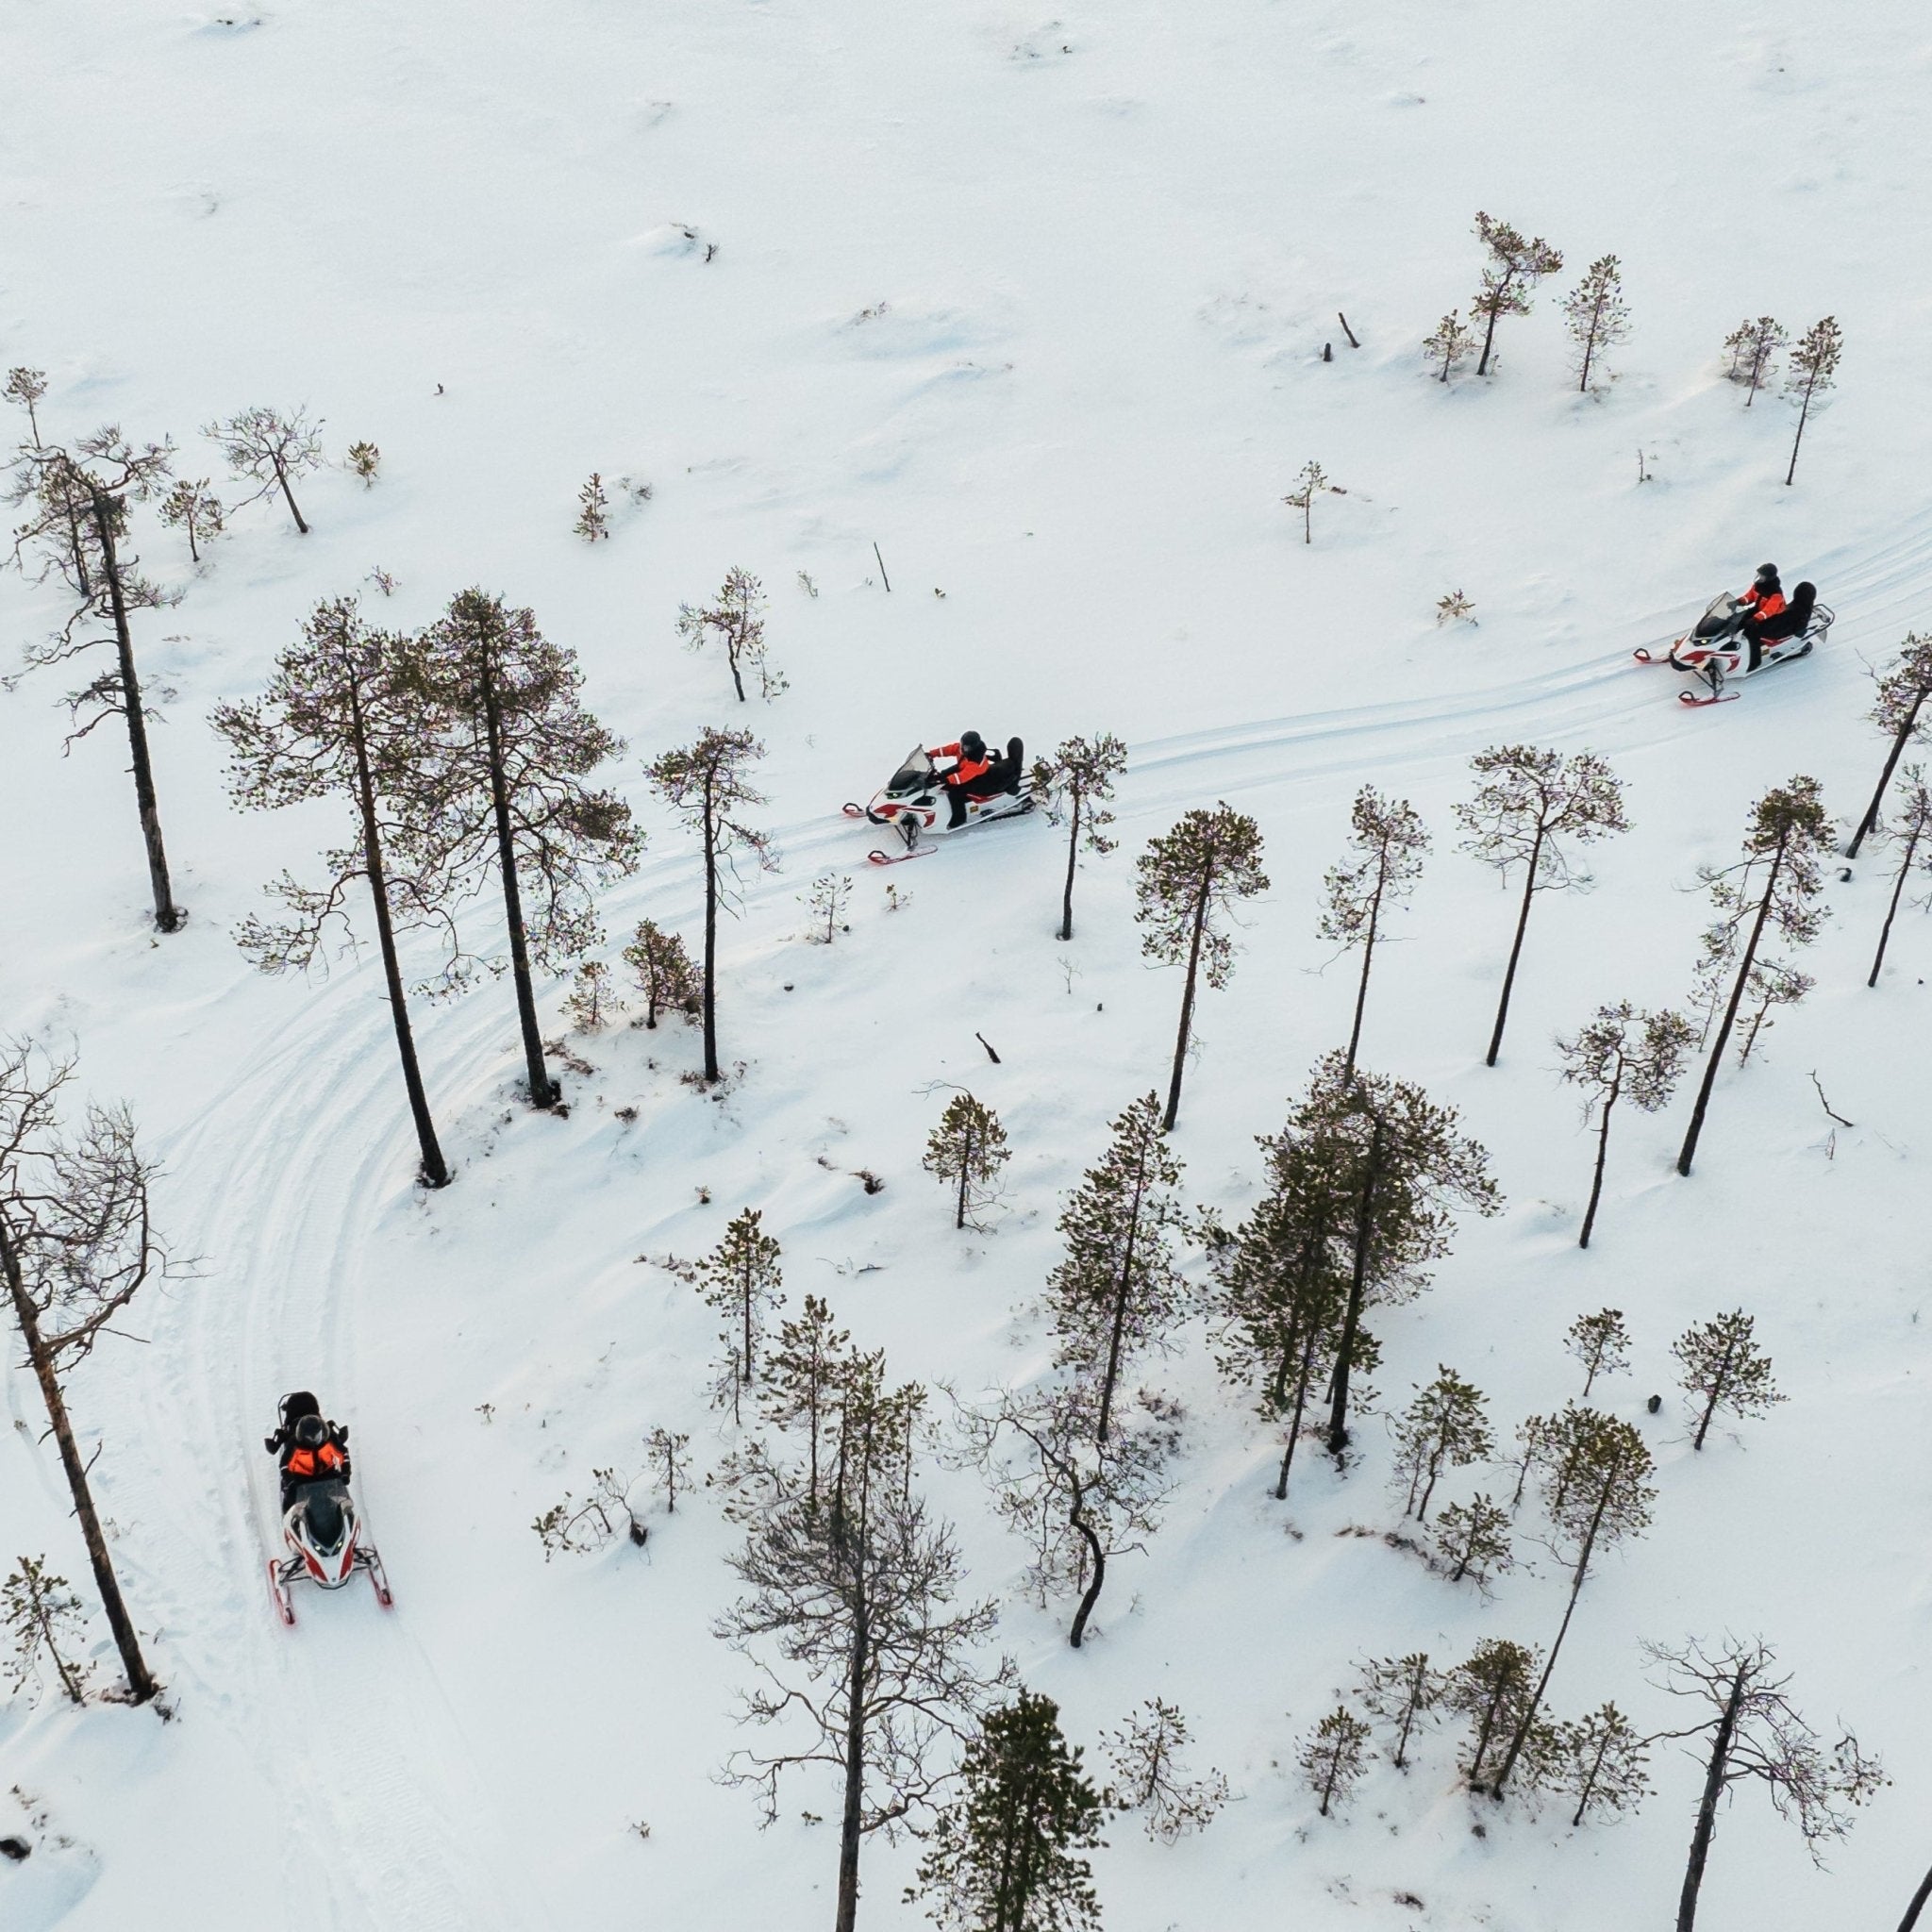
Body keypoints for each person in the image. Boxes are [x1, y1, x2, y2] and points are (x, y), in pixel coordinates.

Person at [268, 1403, 351, 1511]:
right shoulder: (294, 1444)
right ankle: (291, 1523)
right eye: (309, 1438)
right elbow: (284, 1465)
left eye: (316, 1436)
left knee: (342, 1495)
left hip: (325, 1473)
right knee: (289, 1503)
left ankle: (348, 1514)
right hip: (302, 1478)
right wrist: (290, 1482)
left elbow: (344, 1453)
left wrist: (345, 1473)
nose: (313, 1440)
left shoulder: (329, 1439)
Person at [928, 731, 999, 827]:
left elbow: (962, 776)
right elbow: (951, 749)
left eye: (965, 747)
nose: (962, 748)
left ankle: (959, 819)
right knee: (943, 774)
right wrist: (932, 754)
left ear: (973, 748)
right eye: (962, 744)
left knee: (955, 794)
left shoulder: (976, 761)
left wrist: (947, 780)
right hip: (963, 768)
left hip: (976, 780)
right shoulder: (964, 749)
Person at [1745, 579, 1816, 671]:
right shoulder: (1799, 606)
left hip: (1781, 631)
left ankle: (1754, 662)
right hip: (1780, 622)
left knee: (1755, 634)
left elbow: (1799, 630)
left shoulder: (1801, 613)